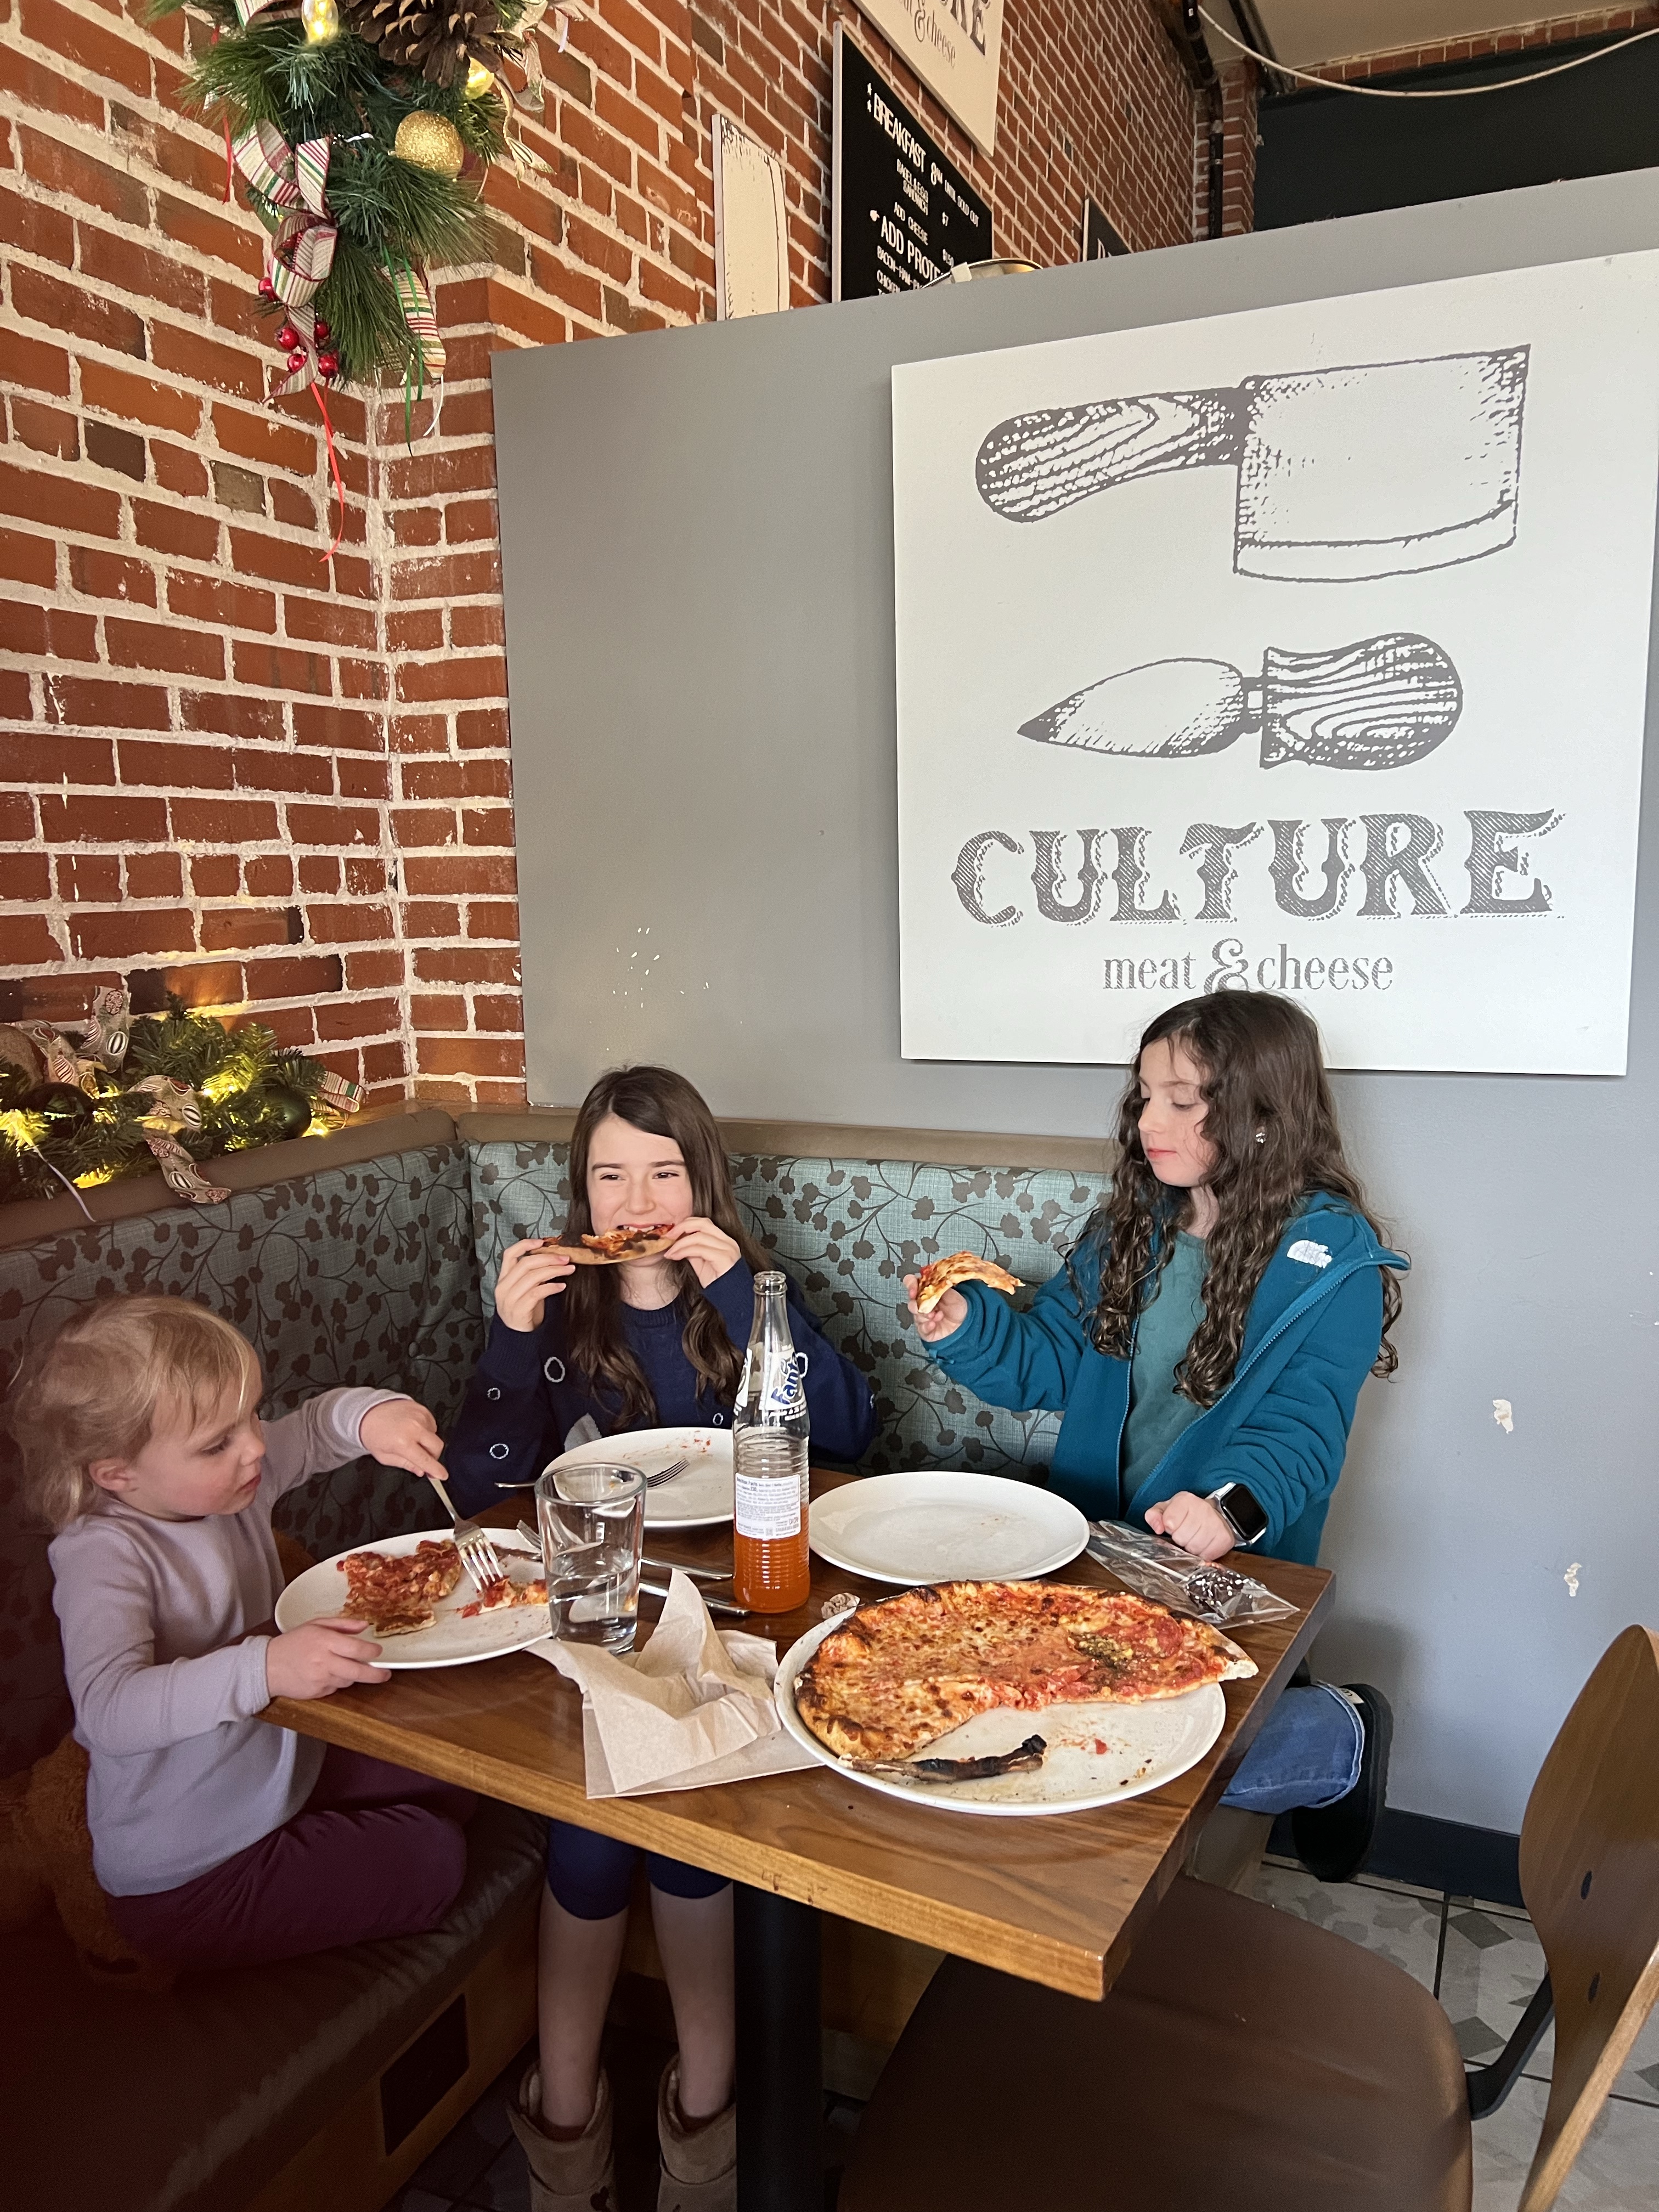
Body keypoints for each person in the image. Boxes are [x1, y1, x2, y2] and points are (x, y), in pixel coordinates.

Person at [446, 1063, 877, 2212]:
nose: (636, 1200)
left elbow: (845, 1430)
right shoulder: (558, 1316)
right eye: (609, 1176)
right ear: (580, 1194)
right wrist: (508, 1337)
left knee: (690, 1834)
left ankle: (706, 2125)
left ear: (703, 1184)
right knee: (589, 1841)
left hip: (742, 1614)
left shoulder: (746, 1294)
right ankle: (567, 2130)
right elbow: (481, 1485)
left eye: (663, 1172)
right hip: (593, 1623)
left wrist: (740, 1294)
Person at [906, 992, 1407, 1884]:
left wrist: (1228, 1509)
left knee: (1143, 1757)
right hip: (1096, 1549)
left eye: (1182, 1100)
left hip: (1223, 1569)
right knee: (1037, 1726)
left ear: (1262, 1112)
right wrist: (967, 1327)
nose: (1149, 1122)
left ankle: (1339, 1733)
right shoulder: (1128, 1228)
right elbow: (1050, 1362)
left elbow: (1303, 1426)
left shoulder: (1332, 1258)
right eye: (1144, 1096)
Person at [16, 1294, 470, 1974]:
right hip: (190, 1877)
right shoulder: (102, 1553)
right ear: (117, 1473)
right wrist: (266, 1669)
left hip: (279, 1772)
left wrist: (372, 1416)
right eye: (217, 1443)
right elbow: (109, 1710)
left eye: (251, 1415)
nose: (256, 1446)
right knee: (436, 1858)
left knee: (455, 1773)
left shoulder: (231, 1479)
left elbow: (315, 1428)